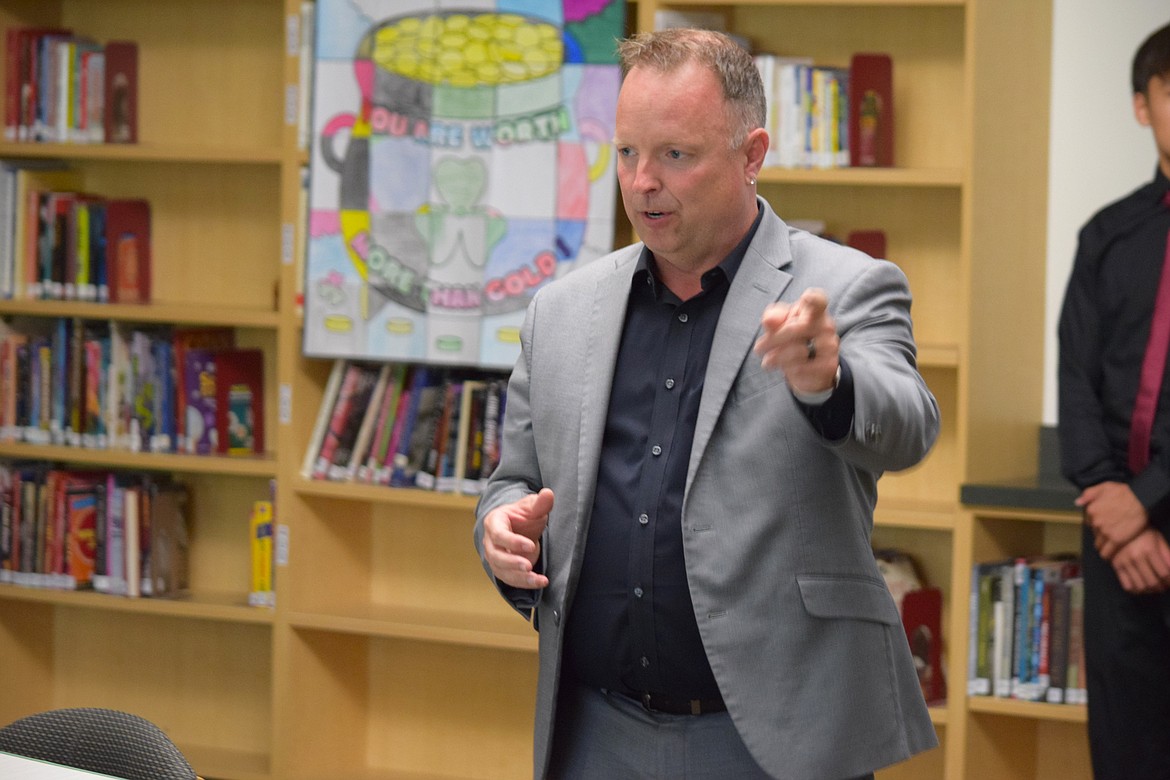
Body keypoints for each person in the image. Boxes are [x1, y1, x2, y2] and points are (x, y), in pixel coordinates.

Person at [474, 27, 940, 780]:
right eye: (626, 153)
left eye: (675, 156)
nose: (641, 182)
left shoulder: (847, 286)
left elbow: (910, 426)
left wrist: (830, 381)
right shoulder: (562, 310)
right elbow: (512, 482)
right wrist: (498, 531)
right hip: (595, 730)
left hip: (776, 736)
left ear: (751, 155)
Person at [1057, 21, 1170, 780]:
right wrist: (1112, 505)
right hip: (1116, 544)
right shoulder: (1107, 236)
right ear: (1142, 107)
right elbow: (1076, 380)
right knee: (1125, 751)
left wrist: (1150, 499)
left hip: (1151, 511)